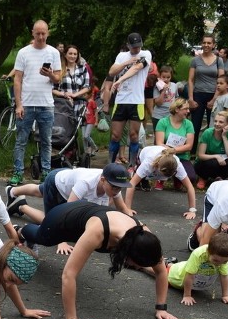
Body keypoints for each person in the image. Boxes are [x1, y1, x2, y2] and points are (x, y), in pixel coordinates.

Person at [15, 201, 181, 319]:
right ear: (127, 254)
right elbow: (68, 275)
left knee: (43, 232)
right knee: (42, 238)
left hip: (86, 216)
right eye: (137, 264)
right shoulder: (98, 232)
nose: (138, 267)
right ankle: (20, 230)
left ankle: (23, 210)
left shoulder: (145, 238)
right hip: (63, 219)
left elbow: (160, 270)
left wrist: (161, 308)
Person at [7, 164, 134, 252]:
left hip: (66, 177)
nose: (117, 191)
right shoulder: (86, 183)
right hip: (56, 183)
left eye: (120, 188)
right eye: (114, 187)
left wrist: (135, 231)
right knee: (50, 221)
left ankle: (12, 192)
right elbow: (65, 213)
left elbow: (123, 209)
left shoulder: (113, 185)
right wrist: (61, 240)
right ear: (102, 180)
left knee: (39, 191)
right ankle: (21, 207)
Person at [9, 20, 62, 185]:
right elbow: (17, 80)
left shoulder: (53, 53)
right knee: (21, 140)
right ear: (32, 33)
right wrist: (18, 104)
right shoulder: (23, 53)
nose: (40, 37)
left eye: (43, 33)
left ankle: (46, 172)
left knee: (46, 140)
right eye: (37, 33)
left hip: (46, 104)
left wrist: (50, 75)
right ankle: (18, 172)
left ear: (48, 33)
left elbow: (58, 79)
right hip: (26, 103)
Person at [138, 232, 228, 307]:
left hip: (185, 267)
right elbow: (189, 275)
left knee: (174, 267)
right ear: (208, 251)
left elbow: (225, 276)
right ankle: (141, 266)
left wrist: (226, 295)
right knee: (160, 273)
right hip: (178, 277)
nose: (219, 264)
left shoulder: (222, 257)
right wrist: (187, 295)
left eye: (224, 262)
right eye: (216, 260)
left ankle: (167, 263)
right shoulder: (198, 254)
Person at [107, 33, 152, 167]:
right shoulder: (122, 56)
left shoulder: (146, 54)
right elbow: (111, 71)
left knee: (134, 135)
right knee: (115, 135)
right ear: (128, 46)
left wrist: (120, 80)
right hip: (121, 101)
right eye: (133, 47)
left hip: (136, 101)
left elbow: (136, 68)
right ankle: (111, 165)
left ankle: (133, 165)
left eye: (138, 46)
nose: (136, 49)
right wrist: (125, 62)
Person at [123, 145, 198, 220]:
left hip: (160, 163)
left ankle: (144, 178)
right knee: (139, 178)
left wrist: (192, 210)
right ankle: (141, 177)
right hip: (144, 154)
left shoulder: (177, 164)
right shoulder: (148, 163)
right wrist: (127, 209)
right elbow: (131, 184)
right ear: (158, 167)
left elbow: (189, 186)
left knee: (145, 175)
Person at [187, 34, 225, 139]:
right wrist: (190, 98)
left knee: (213, 126)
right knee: (195, 126)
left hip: (213, 95)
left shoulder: (219, 60)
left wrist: (214, 99)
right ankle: (192, 153)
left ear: (213, 45)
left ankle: (209, 152)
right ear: (201, 44)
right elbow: (190, 80)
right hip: (198, 95)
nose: (206, 45)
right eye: (204, 43)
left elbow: (221, 81)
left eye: (209, 43)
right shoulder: (195, 60)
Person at [154, 98, 196, 187]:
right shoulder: (163, 122)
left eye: (188, 109)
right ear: (177, 109)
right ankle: (161, 177)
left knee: (191, 177)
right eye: (185, 109)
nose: (188, 111)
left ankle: (177, 178)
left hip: (182, 156)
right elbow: (159, 143)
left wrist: (173, 150)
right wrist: (169, 151)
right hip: (165, 155)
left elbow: (189, 146)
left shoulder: (188, 124)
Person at [195, 111, 228, 188]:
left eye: (221, 122)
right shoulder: (207, 132)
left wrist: (224, 136)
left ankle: (219, 179)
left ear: (227, 124)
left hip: (222, 161)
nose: (217, 124)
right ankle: (203, 178)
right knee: (211, 163)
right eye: (215, 121)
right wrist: (216, 156)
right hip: (206, 161)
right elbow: (200, 155)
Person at [52, 44, 90, 120]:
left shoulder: (82, 69)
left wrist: (75, 95)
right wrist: (63, 94)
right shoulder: (59, 69)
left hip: (79, 103)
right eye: (70, 53)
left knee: (76, 128)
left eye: (75, 54)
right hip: (62, 104)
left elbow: (87, 87)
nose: (72, 56)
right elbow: (53, 88)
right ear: (65, 55)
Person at [151, 65, 178, 132]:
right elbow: (158, 103)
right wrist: (163, 91)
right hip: (158, 116)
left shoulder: (174, 86)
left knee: (169, 136)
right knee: (158, 137)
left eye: (168, 77)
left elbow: (176, 99)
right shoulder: (157, 87)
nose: (166, 79)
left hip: (170, 115)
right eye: (163, 77)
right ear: (160, 76)